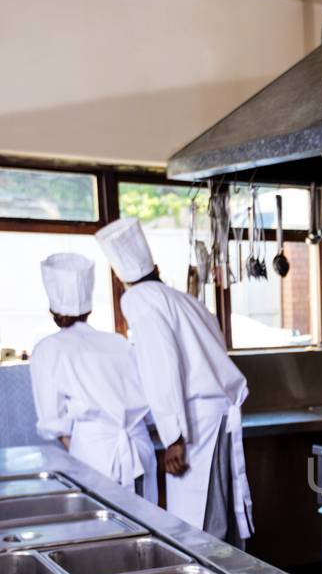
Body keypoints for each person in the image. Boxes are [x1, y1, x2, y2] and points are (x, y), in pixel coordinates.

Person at [95, 218, 252, 541]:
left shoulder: (139, 300)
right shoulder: (181, 299)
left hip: (194, 424)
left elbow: (161, 366)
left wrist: (173, 437)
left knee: (200, 526)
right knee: (217, 519)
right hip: (215, 418)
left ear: (118, 276)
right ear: (155, 266)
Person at [29, 252, 158, 501]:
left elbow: (52, 421)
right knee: (145, 529)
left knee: (108, 531)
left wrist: (81, 449)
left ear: (52, 309)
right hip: (140, 450)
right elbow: (149, 406)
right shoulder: (117, 342)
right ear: (88, 308)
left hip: (95, 456)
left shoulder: (47, 348)